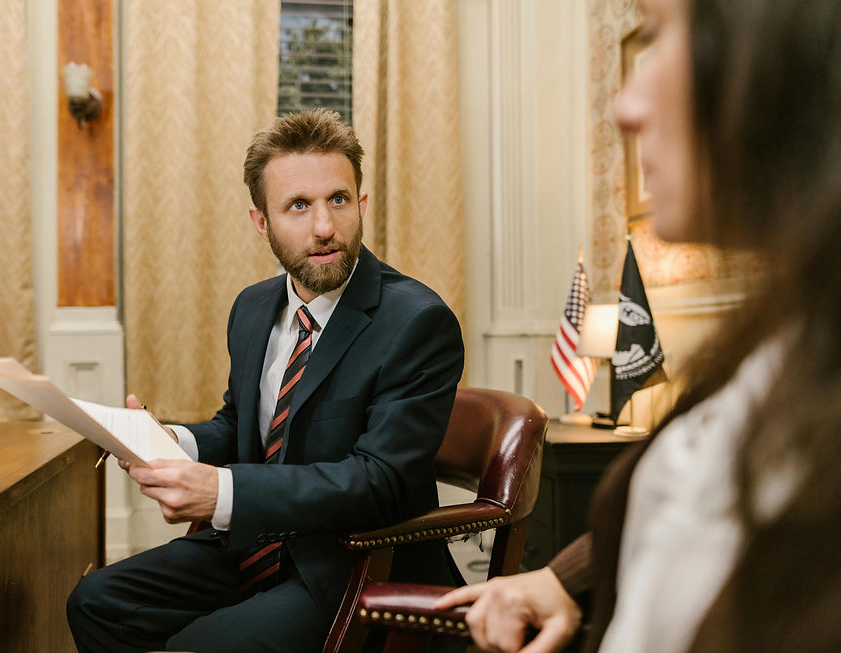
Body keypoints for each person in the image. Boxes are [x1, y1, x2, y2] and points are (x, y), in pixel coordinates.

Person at [436, 0, 841, 651]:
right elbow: (692, 508)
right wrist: (565, 579)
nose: (624, 107)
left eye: (660, 37)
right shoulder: (783, 331)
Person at [67, 108, 465, 652]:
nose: (324, 227)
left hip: (354, 562)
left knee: (202, 646)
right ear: (261, 222)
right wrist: (173, 442)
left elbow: (381, 481)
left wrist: (220, 492)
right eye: (298, 206)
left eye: (338, 200)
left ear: (362, 204)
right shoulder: (253, 308)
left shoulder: (417, 321)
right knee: (96, 602)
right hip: (259, 543)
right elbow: (241, 426)